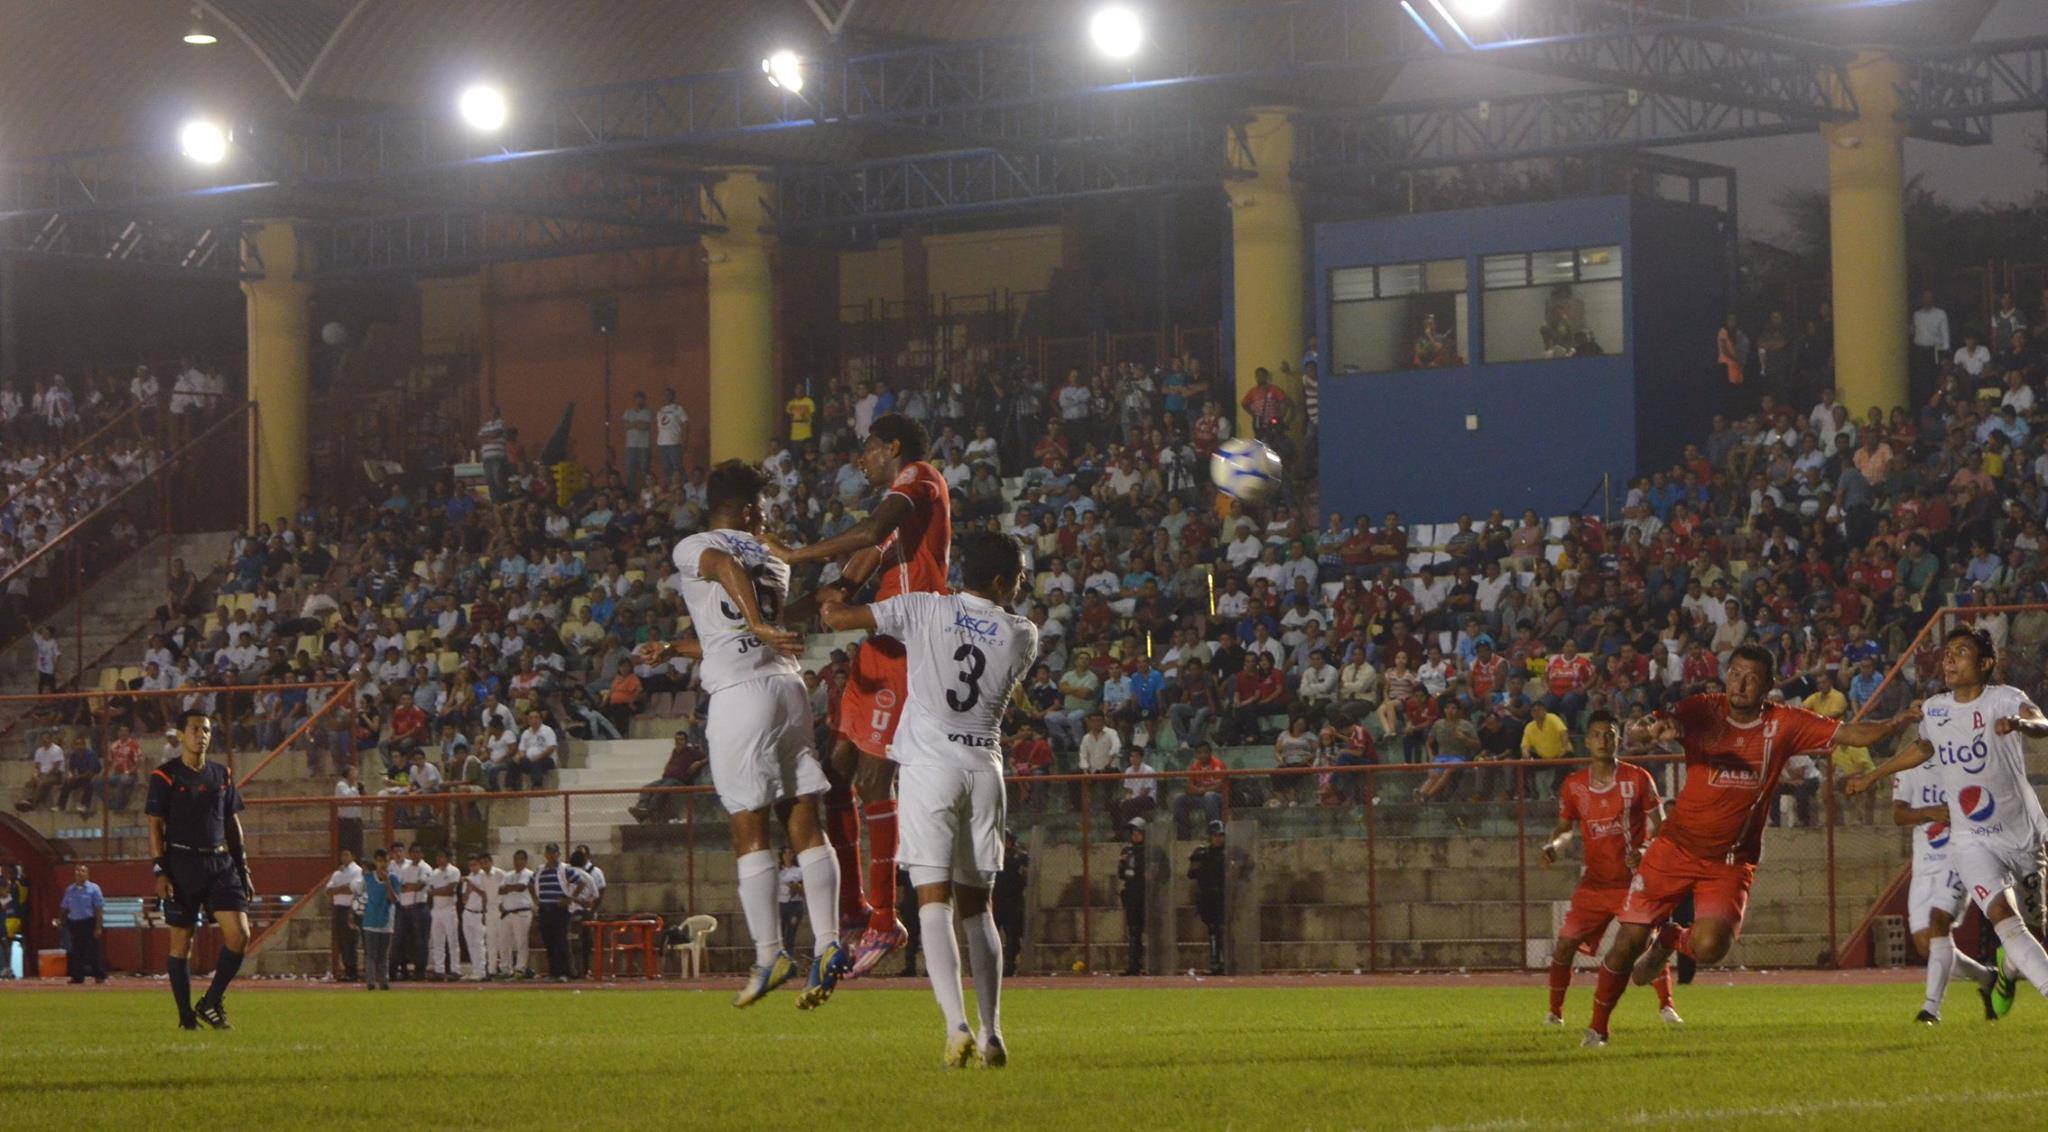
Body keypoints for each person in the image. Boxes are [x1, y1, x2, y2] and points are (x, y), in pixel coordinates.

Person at [1581, 645, 1918, 1046]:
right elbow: (1644, 726)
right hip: (1675, 847)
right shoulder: (1703, 709)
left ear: (1768, 685)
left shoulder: (1784, 723)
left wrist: (1897, 722)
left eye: (1751, 678)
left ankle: (1671, 939)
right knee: (1628, 942)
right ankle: (1597, 1029)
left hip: (1730, 861)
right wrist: (1650, 729)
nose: (1740, 684)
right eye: (1735, 674)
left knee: (1710, 946)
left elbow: (1851, 733)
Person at [818, 529, 1039, 1066]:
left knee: (933, 903)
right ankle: (992, 1033)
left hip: (929, 769)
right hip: (984, 770)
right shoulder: (1023, 634)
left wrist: (852, 575)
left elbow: (836, 619)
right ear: (1001, 582)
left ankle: (955, 1027)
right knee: (978, 911)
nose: (1022, 585)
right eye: (1019, 577)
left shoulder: (923, 608)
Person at [636, 459, 844, 1008]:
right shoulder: (772, 556)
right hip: (787, 689)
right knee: (803, 816)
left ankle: (770, 954)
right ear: (750, 510)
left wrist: (756, 623)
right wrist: (676, 647)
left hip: (740, 697)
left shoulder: (696, 546)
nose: (767, 518)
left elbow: (725, 569)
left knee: (748, 826)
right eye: (764, 508)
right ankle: (828, 941)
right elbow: (731, 632)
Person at [779, 414, 952, 978]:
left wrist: (793, 554)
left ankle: (885, 916)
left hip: (907, 639)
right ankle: (853, 905)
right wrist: (769, 622)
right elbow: (845, 581)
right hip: (878, 637)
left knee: (876, 779)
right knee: (836, 771)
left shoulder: (919, 479)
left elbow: (869, 531)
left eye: (869, 449)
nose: (862, 460)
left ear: (892, 447)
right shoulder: (896, 522)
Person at [1847, 628, 2048, 1020]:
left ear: (1985, 663)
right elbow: (1923, 747)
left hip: (2023, 836)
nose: (1949, 659)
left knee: (2035, 929)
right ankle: (1953, 997)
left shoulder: (2004, 699)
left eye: (1961, 651)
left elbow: (2041, 721)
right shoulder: (1936, 709)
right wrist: (1873, 776)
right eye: (1947, 652)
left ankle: (2007, 969)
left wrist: (2021, 724)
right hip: (1971, 839)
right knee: (2004, 921)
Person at [1537, 711, 1677, 1028]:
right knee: (1565, 944)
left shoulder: (1638, 778)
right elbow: (1565, 829)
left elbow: (1662, 827)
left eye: (1610, 734)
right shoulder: (1574, 785)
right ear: (1587, 741)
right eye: (1597, 734)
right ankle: (1554, 1013)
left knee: (1646, 944)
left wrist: (1644, 850)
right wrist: (1553, 846)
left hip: (1634, 883)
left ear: (1618, 739)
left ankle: (1667, 1006)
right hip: (1595, 884)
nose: (1604, 740)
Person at [146, 710, 253, 1030]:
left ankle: (210, 1001)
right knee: (182, 943)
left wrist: (243, 867)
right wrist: (160, 871)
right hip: (182, 863)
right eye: (194, 729)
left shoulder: (222, 774)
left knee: (240, 934)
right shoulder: (164, 776)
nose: (201, 735)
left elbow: (232, 823)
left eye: (205, 730)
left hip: (221, 863)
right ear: (180, 735)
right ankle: (185, 1017)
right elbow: (155, 826)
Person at [533, 842, 597, 982]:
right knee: (549, 941)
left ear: (558, 854)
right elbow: (531, 883)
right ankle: (553, 972)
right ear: (545, 854)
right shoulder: (540, 870)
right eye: (549, 853)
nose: (551, 855)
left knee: (560, 941)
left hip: (559, 910)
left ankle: (563, 972)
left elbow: (580, 882)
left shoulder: (564, 869)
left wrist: (571, 898)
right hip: (545, 909)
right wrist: (535, 899)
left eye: (554, 853)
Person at [628, 731, 706, 824]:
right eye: (677, 739)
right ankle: (642, 808)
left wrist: (698, 763)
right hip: (666, 779)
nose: (678, 742)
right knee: (646, 788)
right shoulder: (675, 752)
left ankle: (650, 811)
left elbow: (708, 758)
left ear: (686, 741)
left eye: (681, 739)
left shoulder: (692, 752)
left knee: (663, 788)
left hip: (680, 782)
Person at [357, 849, 399, 990]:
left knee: (383, 955)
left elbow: (394, 900)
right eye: (380, 861)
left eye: (385, 861)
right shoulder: (368, 878)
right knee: (371, 954)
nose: (383, 864)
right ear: (376, 862)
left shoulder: (394, 879)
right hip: (370, 920)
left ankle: (383, 981)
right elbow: (359, 894)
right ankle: (370, 981)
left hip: (386, 921)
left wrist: (387, 882)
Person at [1189, 821, 1227, 976]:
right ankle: (1215, 961)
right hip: (1208, 897)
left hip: (1224, 896)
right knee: (1213, 929)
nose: (1218, 838)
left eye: (1220, 835)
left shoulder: (1228, 853)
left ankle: (1224, 961)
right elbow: (1191, 873)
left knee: (1222, 929)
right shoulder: (1202, 853)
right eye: (1215, 835)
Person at [59, 865, 106, 984]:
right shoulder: (70, 890)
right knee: (76, 951)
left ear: (87, 874)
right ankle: (77, 976)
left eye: (83, 871)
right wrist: (61, 920)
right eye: (78, 871)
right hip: (75, 923)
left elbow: (98, 909)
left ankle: (99, 975)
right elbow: (64, 907)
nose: (80, 873)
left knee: (93, 950)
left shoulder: (94, 889)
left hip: (89, 922)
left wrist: (98, 927)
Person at [993, 829, 1029, 977]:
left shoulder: (1019, 856)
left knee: (1013, 936)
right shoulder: (993, 856)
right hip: (996, 901)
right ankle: (993, 966)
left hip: (1013, 901)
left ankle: (1010, 965)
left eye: (1007, 839)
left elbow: (1024, 871)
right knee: (991, 935)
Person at [461, 851, 501, 981]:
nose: (472, 867)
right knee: (470, 943)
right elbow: (464, 899)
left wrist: (473, 887)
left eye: (475, 864)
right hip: (468, 912)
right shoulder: (469, 878)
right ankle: (475, 970)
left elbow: (485, 895)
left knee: (479, 943)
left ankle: (482, 971)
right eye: (470, 865)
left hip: (479, 913)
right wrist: (468, 889)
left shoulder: (482, 877)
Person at [325, 849, 364, 982]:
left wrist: (338, 889)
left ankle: (353, 971)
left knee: (350, 941)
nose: (344, 857)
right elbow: (328, 890)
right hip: (339, 908)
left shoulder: (357, 871)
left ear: (353, 856)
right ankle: (347, 969)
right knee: (341, 941)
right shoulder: (337, 873)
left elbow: (352, 889)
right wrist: (342, 888)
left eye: (347, 855)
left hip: (350, 908)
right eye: (342, 855)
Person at [496, 849, 535, 979]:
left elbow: (521, 887)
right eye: (515, 859)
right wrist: (511, 887)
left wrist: (509, 888)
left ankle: (520, 969)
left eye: (520, 859)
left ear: (525, 860)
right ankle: (505, 968)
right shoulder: (508, 874)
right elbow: (500, 890)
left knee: (521, 942)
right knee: (504, 942)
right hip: (507, 912)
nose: (517, 862)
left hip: (522, 911)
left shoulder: (528, 874)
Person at [424, 847, 462, 979]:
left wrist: (435, 891)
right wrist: (438, 891)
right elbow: (428, 890)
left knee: (452, 940)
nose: (439, 859)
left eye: (442, 857)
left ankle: (455, 969)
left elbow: (450, 890)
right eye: (438, 857)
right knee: (437, 941)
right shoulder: (434, 872)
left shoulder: (454, 871)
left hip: (449, 909)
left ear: (448, 858)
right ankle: (439, 969)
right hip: (436, 909)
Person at [1119, 817, 1148, 977]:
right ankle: (1133, 964)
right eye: (1133, 833)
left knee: (1149, 929)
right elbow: (1121, 874)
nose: (1135, 835)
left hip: (1147, 894)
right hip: (1132, 893)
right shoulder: (1127, 851)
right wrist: (1123, 864)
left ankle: (1151, 963)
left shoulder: (1150, 851)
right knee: (1133, 930)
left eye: (1138, 832)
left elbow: (1163, 873)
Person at [620, 391, 653, 492]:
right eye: (638, 398)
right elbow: (625, 426)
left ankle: (646, 493)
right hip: (631, 446)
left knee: (645, 471)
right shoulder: (628, 412)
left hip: (644, 446)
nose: (639, 401)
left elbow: (645, 427)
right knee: (630, 471)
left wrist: (632, 424)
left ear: (644, 400)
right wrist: (637, 423)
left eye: (641, 399)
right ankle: (631, 494)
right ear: (635, 400)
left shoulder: (648, 412)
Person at [655, 388, 688, 487]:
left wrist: (685, 441)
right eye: (665, 395)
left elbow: (686, 424)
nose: (667, 397)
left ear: (673, 396)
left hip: (674, 443)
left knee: (678, 468)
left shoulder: (678, 409)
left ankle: (685, 487)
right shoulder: (660, 410)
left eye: (669, 395)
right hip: (662, 444)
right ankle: (671, 488)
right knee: (666, 469)